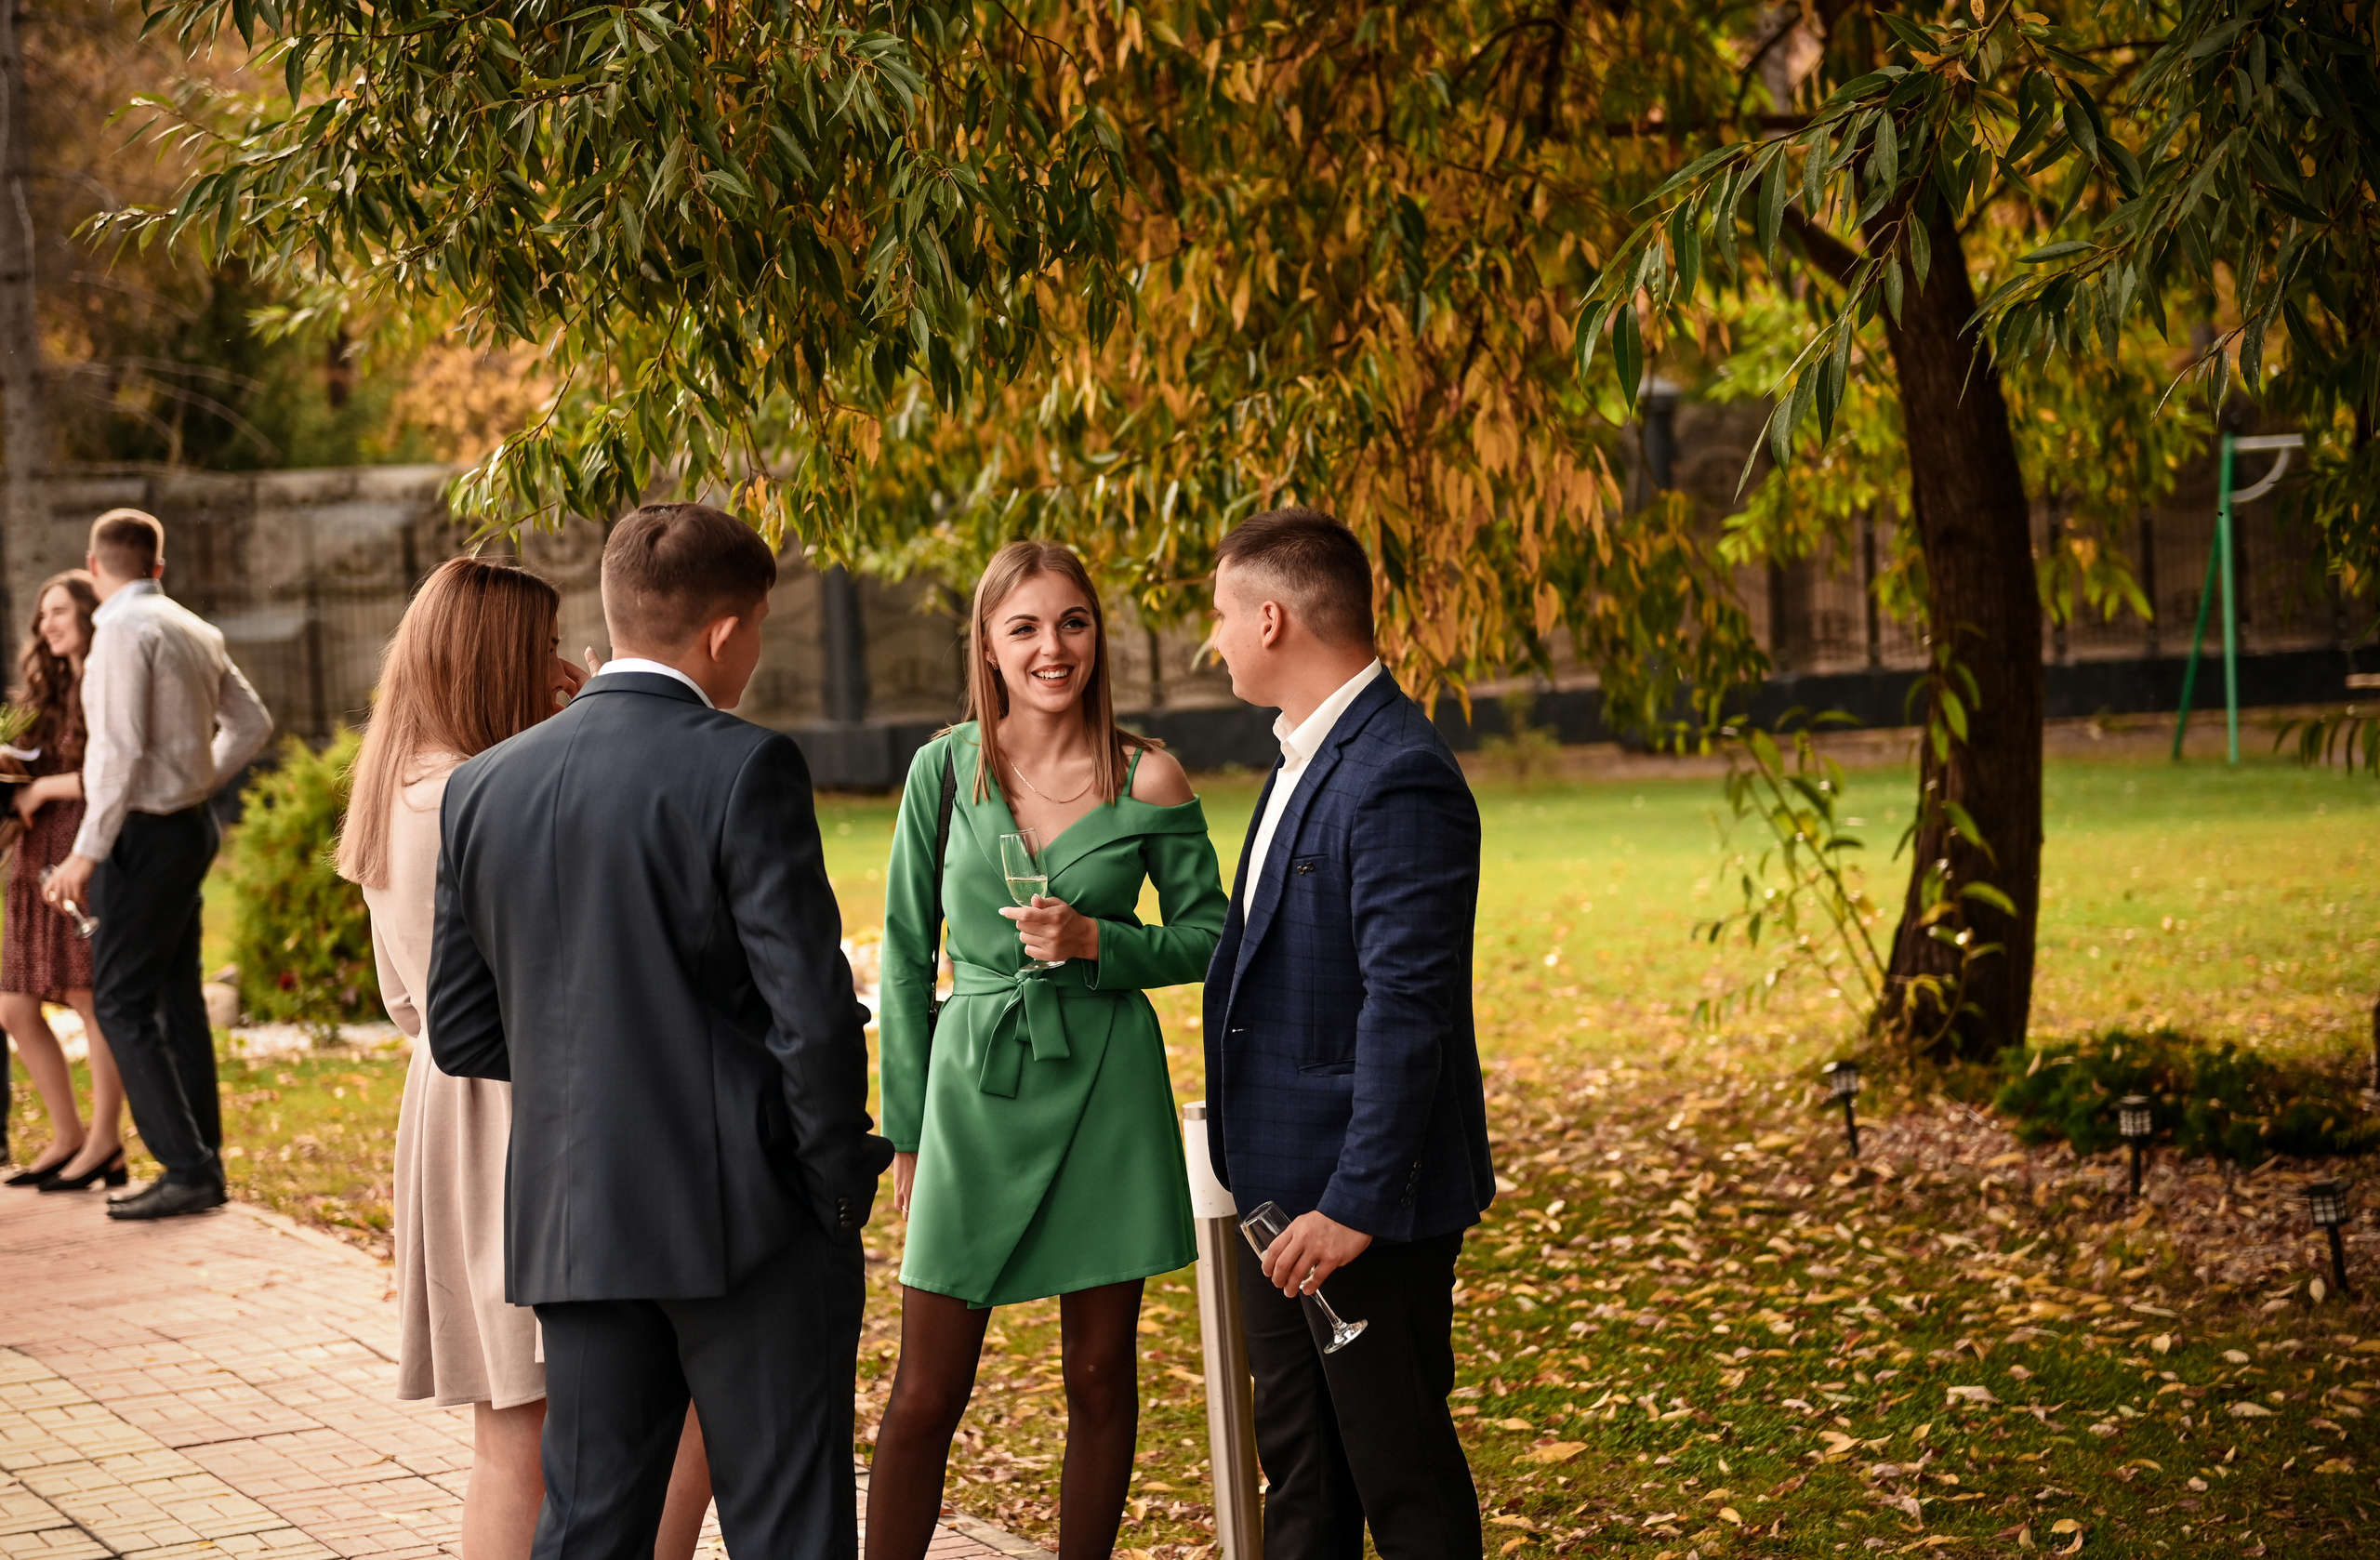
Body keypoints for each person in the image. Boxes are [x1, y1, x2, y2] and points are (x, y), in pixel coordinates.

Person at [428, 502, 891, 1560]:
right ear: (727, 631)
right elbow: (811, 1017)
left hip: (575, 1214)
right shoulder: (742, 764)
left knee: (590, 1523)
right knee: (786, 1521)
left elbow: (461, 1027)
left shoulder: (481, 786)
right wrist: (828, 1178)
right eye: (760, 627)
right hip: (748, 1217)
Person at [335, 557, 714, 1560]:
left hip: (454, 1109)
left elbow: (406, 1000)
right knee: (642, 1409)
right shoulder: (477, 791)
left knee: (516, 1435)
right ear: (497, 656)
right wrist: (597, 726)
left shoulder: (400, 787)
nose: (559, 665)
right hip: (526, 1112)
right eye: (543, 644)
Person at [867, 541, 1228, 1560]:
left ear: (1096, 634)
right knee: (925, 1389)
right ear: (986, 644)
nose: (1051, 647)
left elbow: (1212, 934)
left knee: (1101, 1375)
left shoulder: (1149, 776)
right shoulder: (944, 769)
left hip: (1107, 1087)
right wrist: (905, 1132)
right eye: (1023, 626)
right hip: (971, 1089)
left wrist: (1099, 943)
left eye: (1071, 621)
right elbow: (903, 954)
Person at [1199, 508, 1494, 1560]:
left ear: (1272, 618)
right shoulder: (1296, 758)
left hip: (1365, 1215)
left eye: (1223, 614)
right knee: (1305, 1488)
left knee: (1402, 1481)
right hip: (1275, 1205)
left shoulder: (1396, 772)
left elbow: (1405, 1011)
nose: (1216, 638)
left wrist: (1354, 1207)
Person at [45, 509, 273, 1222]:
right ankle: (201, 1157)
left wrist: (85, 853)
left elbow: (114, 754)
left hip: (144, 838)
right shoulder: (192, 627)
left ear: (93, 565)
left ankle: (186, 1168)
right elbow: (254, 724)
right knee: (175, 999)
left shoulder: (119, 631)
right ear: (159, 566)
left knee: (118, 1000)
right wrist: (196, 779)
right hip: (190, 829)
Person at [2, 572, 127, 1192]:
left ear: (86, 612)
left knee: (87, 996)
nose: (47, 624)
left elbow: (117, 771)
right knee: (15, 1006)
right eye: (42, 615)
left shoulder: (105, 674)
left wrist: (46, 785)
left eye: (58, 611)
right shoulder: (45, 689)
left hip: (82, 845)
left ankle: (106, 1142)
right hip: (34, 855)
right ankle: (67, 1136)